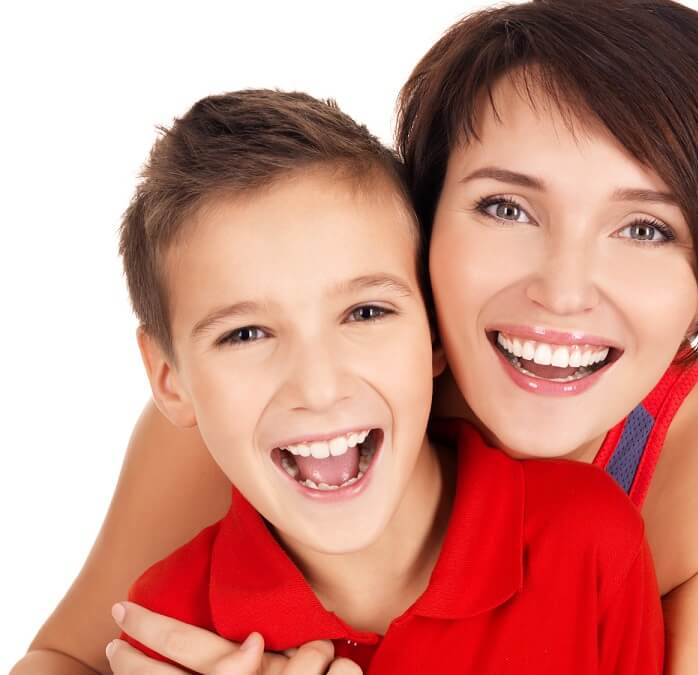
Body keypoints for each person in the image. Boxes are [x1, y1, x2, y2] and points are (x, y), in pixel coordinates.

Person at [13, 2, 698, 674]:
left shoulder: (696, 459)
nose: (563, 290)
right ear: (423, 222)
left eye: (646, 227)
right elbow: (72, 654)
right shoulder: (261, 405)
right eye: (507, 209)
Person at [106, 88, 663, 674]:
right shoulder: (166, 631)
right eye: (245, 335)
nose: (319, 388)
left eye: (366, 313)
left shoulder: (587, 543)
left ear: (434, 331)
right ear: (170, 381)